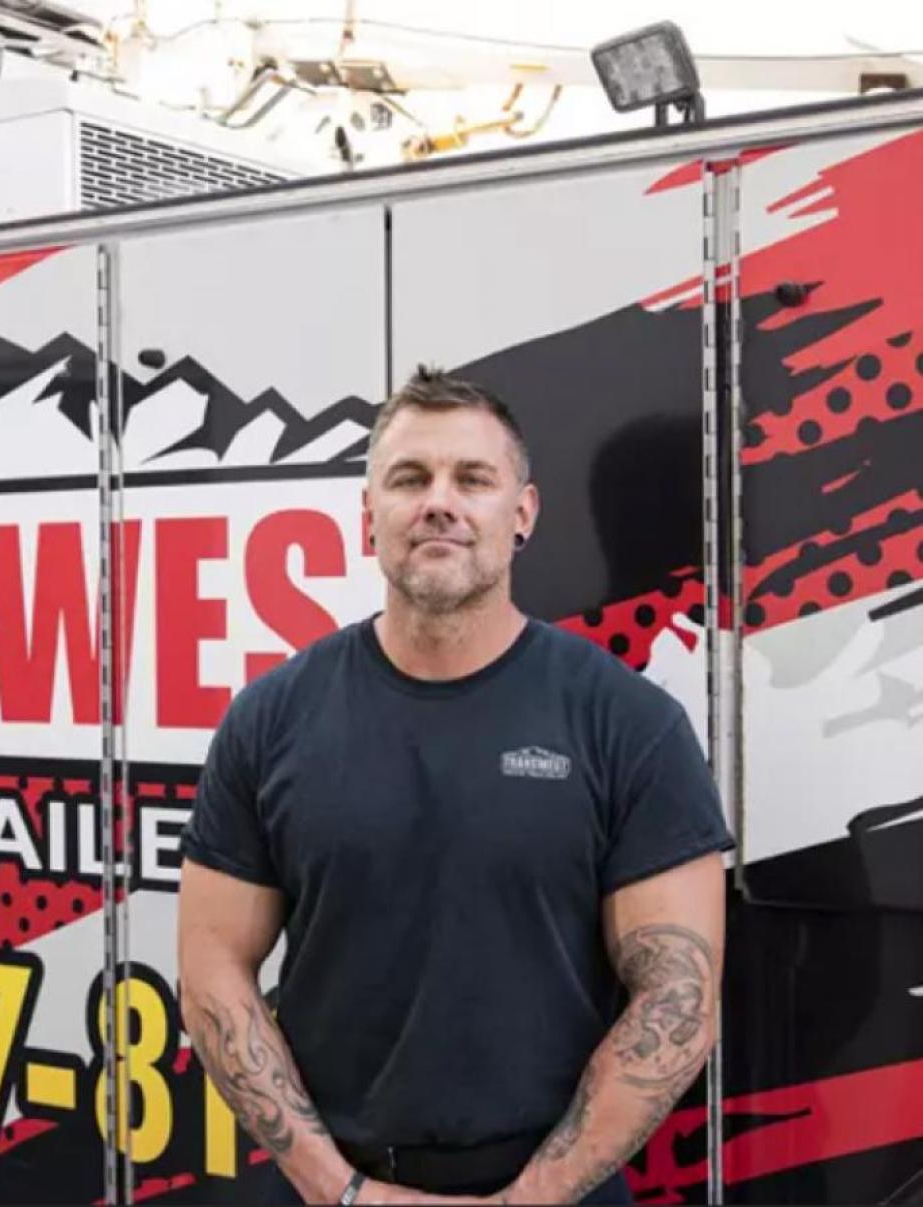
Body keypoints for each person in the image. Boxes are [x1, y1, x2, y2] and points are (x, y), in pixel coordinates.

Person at [177, 367, 734, 1205]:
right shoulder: (270, 719)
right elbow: (213, 967)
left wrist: (533, 1197)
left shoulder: (627, 722)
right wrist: (340, 1190)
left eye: (473, 478)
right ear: (370, 520)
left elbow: (680, 998)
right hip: (332, 1189)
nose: (440, 501)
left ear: (523, 514)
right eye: (410, 478)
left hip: (556, 1191)